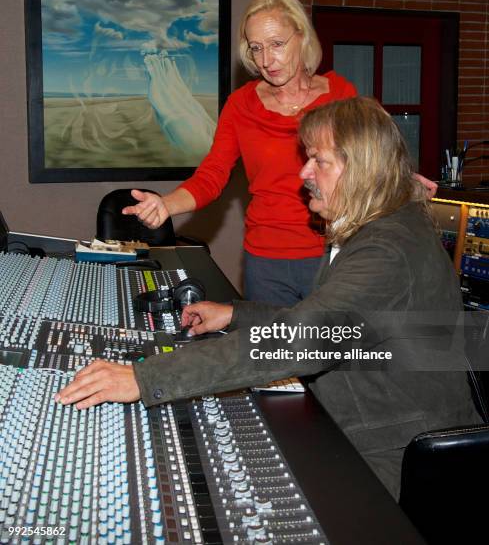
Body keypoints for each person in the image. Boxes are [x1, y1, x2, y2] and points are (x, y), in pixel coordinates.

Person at [56, 96, 479, 500]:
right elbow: (338, 324)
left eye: (320, 160)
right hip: (367, 424)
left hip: (396, 452)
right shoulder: (383, 226)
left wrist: (144, 378)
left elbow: (306, 336)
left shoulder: (386, 250)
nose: (304, 173)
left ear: (362, 169)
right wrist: (235, 314)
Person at [123, 0, 358, 306]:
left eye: (277, 45)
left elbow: (374, 157)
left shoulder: (340, 95)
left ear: (301, 36)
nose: (266, 60)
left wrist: (402, 180)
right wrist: (167, 205)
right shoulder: (241, 105)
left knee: (331, 352)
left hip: (334, 254)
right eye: (256, 48)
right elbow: (212, 174)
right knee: (269, 354)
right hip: (266, 261)